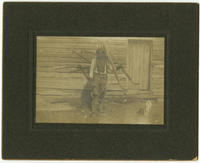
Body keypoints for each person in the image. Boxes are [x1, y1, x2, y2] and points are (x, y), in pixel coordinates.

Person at [89, 43, 112, 113]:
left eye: (102, 52)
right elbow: (91, 69)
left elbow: (110, 69)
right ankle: (94, 109)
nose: (101, 54)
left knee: (103, 93)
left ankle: (100, 108)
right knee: (95, 93)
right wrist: (91, 78)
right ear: (98, 53)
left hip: (104, 77)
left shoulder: (106, 60)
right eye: (100, 52)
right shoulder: (95, 60)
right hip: (97, 76)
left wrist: (110, 68)